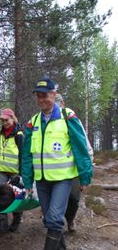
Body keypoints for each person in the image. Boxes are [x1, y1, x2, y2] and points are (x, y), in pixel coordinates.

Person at [22, 76, 93, 250]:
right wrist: (27, 181)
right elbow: (26, 155)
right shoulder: (32, 122)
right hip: (42, 180)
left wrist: (85, 176)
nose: (42, 99)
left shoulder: (67, 117)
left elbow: (80, 148)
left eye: (46, 95)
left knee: (53, 219)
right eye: (39, 95)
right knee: (49, 218)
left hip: (63, 178)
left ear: (54, 94)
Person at [55, 94, 94, 233]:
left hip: (73, 168)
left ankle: (70, 219)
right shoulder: (46, 121)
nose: (55, 106)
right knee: (57, 199)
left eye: (57, 103)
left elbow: (84, 144)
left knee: (74, 198)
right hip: (55, 169)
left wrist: (86, 172)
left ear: (62, 103)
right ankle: (56, 224)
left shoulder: (70, 118)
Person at [0, 108, 24, 232]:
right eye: (2, 120)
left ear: (12, 118)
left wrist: (21, 175)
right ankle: (2, 223)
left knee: (16, 196)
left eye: (6, 120)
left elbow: (23, 154)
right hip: (1, 170)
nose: (4, 122)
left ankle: (16, 220)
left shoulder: (19, 134)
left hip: (15, 172)